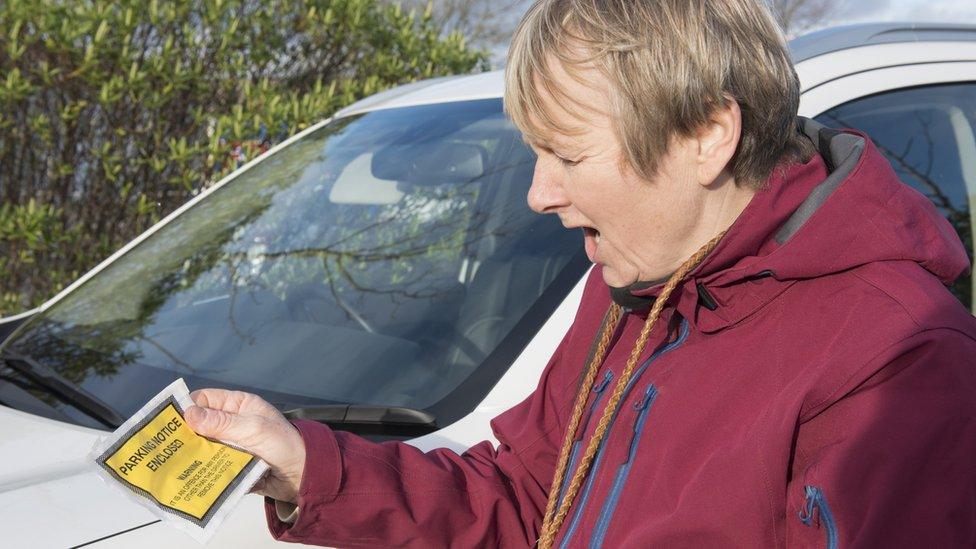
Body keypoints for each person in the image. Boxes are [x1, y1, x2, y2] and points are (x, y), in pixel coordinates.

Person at [185, 0, 976, 547]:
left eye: (567, 154)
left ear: (706, 134)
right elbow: (531, 500)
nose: (539, 192)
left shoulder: (896, 360)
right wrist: (304, 462)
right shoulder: (631, 288)